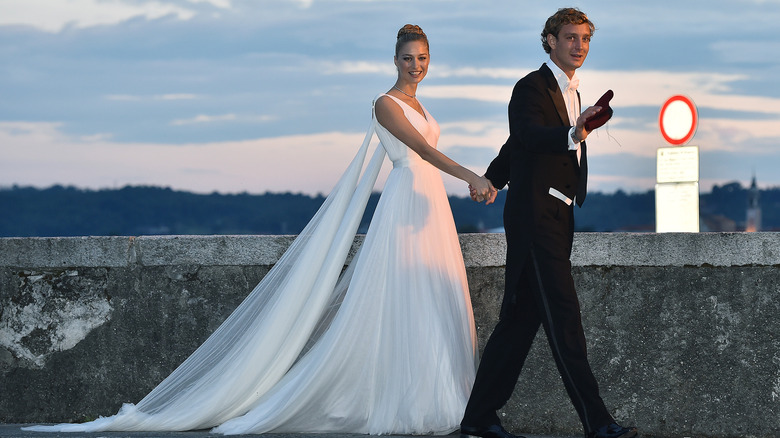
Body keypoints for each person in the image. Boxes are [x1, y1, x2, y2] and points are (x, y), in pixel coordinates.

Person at [24, 24, 494, 435]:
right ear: (394, 60)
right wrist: (471, 175)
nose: (416, 66)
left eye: (423, 59)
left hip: (430, 209)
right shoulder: (385, 104)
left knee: (430, 300)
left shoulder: (423, 103)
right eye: (409, 59)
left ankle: (437, 396)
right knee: (399, 301)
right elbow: (423, 154)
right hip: (406, 198)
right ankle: (398, 401)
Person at [459, 8, 638, 438]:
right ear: (550, 41)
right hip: (535, 216)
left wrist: (492, 178)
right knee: (565, 317)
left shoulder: (574, 93)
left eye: (585, 39)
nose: (579, 46)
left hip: (560, 216)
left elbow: (514, 146)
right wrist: (573, 134)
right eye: (571, 37)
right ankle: (598, 423)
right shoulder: (529, 87)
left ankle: (477, 418)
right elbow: (530, 134)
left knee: (518, 324)